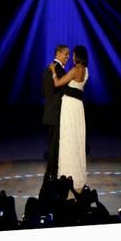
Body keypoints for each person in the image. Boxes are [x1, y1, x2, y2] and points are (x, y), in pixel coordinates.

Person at [49, 45, 89, 192]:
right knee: (77, 140)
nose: (71, 57)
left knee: (68, 139)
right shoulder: (86, 71)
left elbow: (57, 83)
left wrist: (54, 71)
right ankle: (78, 175)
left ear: (78, 56)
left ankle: (67, 175)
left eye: (73, 55)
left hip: (70, 107)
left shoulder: (75, 69)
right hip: (78, 107)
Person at [42, 45, 70, 180]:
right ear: (58, 53)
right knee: (55, 144)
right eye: (66, 54)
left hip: (49, 111)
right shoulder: (58, 70)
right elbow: (65, 90)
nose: (68, 57)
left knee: (52, 143)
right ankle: (50, 174)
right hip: (57, 112)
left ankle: (51, 173)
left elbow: (45, 92)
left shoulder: (48, 68)